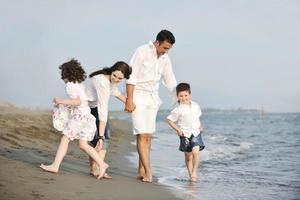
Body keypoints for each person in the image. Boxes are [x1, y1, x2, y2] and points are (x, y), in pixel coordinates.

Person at [40, 59, 108, 179]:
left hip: (79, 117)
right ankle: (102, 164)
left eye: (63, 74)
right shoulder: (81, 85)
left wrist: (60, 101)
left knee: (65, 139)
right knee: (83, 144)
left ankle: (55, 166)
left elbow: (77, 101)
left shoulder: (70, 86)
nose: (62, 78)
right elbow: (87, 100)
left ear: (66, 74)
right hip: (87, 117)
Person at [125, 30, 177, 183]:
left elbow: (170, 79)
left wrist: (181, 97)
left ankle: (141, 169)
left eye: (169, 49)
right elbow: (131, 76)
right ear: (157, 42)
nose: (166, 51)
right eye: (165, 48)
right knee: (141, 134)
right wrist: (129, 99)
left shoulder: (165, 58)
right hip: (138, 96)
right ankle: (149, 172)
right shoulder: (141, 52)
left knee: (148, 135)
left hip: (153, 98)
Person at [85, 61, 132, 178]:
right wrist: (101, 136)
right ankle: (99, 168)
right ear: (112, 71)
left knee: (97, 139)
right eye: (114, 76)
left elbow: (115, 92)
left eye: (120, 78)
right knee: (102, 138)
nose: (116, 79)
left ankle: (95, 168)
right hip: (88, 108)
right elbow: (103, 110)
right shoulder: (102, 82)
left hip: (93, 107)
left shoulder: (109, 79)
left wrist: (130, 103)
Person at [167, 83, 205, 182]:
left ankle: (194, 172)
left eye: (186, 95)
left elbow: (197, 118)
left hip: (196, 132)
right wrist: (178, 130)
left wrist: (200, 125)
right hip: (185, 134)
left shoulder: (196, 105)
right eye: (181, 96)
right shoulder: (178, 110)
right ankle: (190, 173)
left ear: (190, 94)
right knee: (188, 157)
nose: (184, 98)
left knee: (196, 152)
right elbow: (169, 120)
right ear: (177, 97)